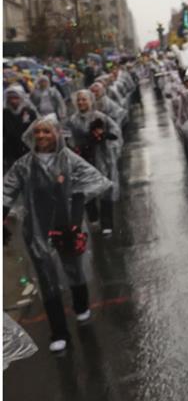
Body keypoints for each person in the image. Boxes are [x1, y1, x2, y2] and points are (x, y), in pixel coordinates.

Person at [3, 116, 112, 353]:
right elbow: (6, 190)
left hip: (67, 227)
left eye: (46, 131)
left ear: (56, 134)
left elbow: (97, 181)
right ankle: (59, 331)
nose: (41, 136)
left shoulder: (69, 160)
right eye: (38, 132)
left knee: (73, 268)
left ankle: (81, 306)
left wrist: (74, 212)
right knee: (46, 278)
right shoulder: (23, 165)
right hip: (37, 230)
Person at [63, 89, 122, 236]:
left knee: (104, 189)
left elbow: (115, 131)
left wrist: (105, 136)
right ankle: (93, 216)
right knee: (85, 189)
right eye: (79, 100)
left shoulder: (100, 117)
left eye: (84, 99)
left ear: (91, 101)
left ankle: (107, 223)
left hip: (102, 158)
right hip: (82, 159)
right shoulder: (72, 120)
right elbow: (65, 137)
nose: (81, 102)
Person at [4, 86, 39, 173]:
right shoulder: (4, 113)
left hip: (27, 149)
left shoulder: (29, 112)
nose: (13, 101)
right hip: (10, 151)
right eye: (10, 98)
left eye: (16, 98)